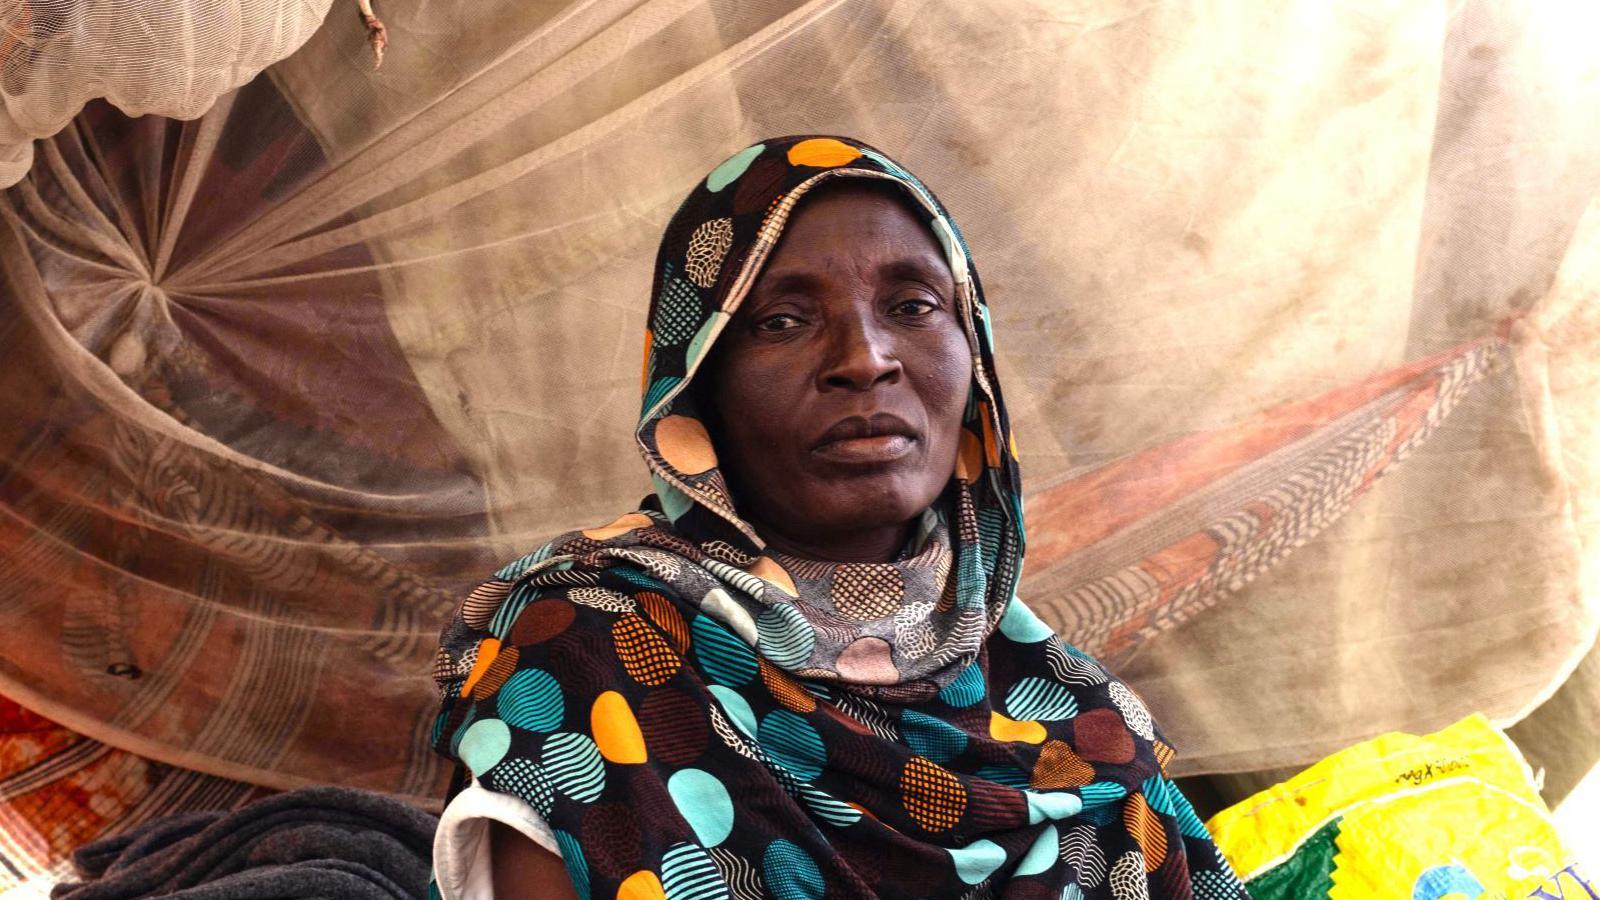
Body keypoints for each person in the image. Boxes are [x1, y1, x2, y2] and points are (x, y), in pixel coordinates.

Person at [429, 136, 1249, 899]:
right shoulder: (588, 656)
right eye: (781, 321)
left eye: (915, 306)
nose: (865, 358)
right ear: (695, 389)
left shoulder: (1069, 718)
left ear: (977, 356)